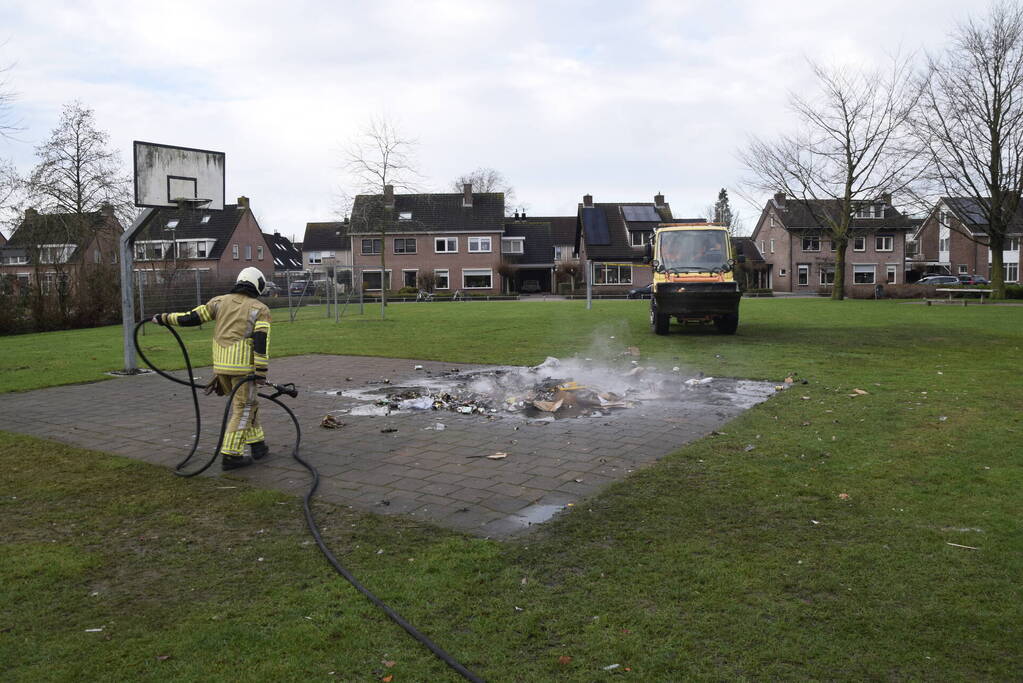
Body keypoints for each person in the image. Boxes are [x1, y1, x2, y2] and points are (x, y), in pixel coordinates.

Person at [153, 267, 272, 471]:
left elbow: (190, 318)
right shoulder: (260, 309)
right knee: (243, 408)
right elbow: (261, 340)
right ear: (258, 285)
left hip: (221, 367)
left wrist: (163, 318)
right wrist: (260, 371)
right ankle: (231, 455)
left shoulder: (218, 302)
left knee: (248, 404)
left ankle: (257, 445)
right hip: (244, 368)